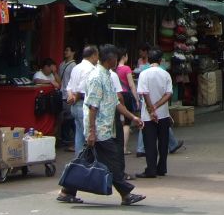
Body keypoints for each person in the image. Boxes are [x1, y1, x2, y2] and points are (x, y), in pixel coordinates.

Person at [57, 44, 144, 206]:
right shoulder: (97, 77)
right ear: (110, 59)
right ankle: (125, 193)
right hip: (99, 129)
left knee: (87, 157)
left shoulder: (107, 75)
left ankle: (67, 190)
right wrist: (91, 132)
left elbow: (115, 102)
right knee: (112, 161)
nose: (117, 61)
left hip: (104, 128)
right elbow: (92, 106)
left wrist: (133, 117)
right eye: (116, 59)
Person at [137, 48, 174, 178]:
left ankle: (151, 169)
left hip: (148, 116)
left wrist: (151, 109)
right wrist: (157, 106)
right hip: (163, 113)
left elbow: (144, 93)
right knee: (163, 142)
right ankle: (162, 167)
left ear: (148, 60)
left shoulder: (144, 74)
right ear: (160, 60)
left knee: (150, 143)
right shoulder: (166, 74)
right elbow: (168, 94)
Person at [66, 45, 99, 155]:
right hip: (84, 105)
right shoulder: (90, 69)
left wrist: (71, 96)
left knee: (79, 134)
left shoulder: (76, 67)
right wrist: (76, 97)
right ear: (94, 55)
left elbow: (69, 86)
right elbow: (82, 88)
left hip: (75, 106)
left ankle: (78, 162)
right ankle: (87, 164)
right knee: (89, 136)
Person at [114, 47, 138, 152]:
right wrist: (136, 99)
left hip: (116, 95)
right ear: (124, 56)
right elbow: (131, 85)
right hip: (126, 95)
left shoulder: (113, 69)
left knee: (118, 121)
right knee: (127, 122)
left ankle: (116, 146)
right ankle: (123, 148)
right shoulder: (126, 68)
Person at [57, 46, 77, 148]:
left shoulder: (74, 66)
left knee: (69, 119)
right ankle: (66, 139)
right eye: (65, 50)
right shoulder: (61, 64)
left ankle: (70, 139)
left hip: (68, 95)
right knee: (64, 119)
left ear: (73, 52)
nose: (65, 52)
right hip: (62, 94)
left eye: (68, 50)